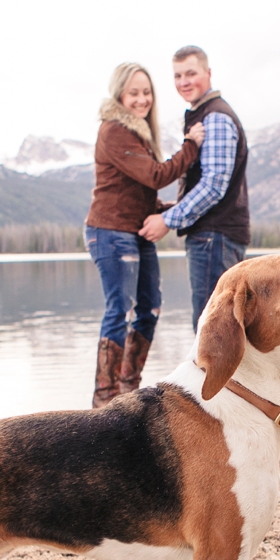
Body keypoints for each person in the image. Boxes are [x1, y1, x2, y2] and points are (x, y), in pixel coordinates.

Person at [84, 62, 205, 407]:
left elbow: (142, 192)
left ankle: (127, 389)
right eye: (134, 93)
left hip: (136, 231)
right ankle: (104, 401)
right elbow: (155, 175)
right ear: (120, 94)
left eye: (147, 92)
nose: (141, 99)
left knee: (149, 308)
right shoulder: (114, 130)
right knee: (118, 310)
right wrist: (190, 146)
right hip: (109, 232)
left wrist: (174, 209)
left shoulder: (138, 132)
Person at [139, 46, 250, 331]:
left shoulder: (215, 118)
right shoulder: (205, 114)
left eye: (191, 73)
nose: (183, 82)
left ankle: (211, 378)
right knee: (220, 326)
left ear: (208, 73)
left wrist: (167, 220)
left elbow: (213, 186)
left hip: (214, 237)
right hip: (215, 237)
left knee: (210, 329)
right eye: (177, 75)